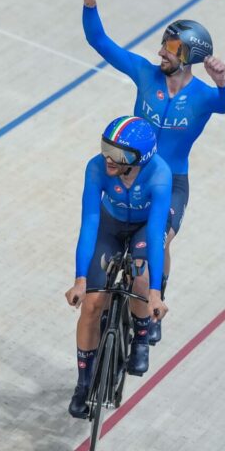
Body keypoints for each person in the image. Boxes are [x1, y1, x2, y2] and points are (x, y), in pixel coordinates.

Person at [80, 0, 225, 346]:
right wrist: (90, 4)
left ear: (188, 55)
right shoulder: (145, 74)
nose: (160, 52)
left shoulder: (202, 95)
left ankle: (152, 306)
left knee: (158, 246)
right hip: (129, 172)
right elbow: (100, 42)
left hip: (170, 182)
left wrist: (221, 81)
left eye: (169, 46)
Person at [65, 116, 172, 418]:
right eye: (105, 148)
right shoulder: (96, 167)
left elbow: (154, 233)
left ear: (140, 159)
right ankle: (83, 384)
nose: (109, 159)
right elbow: (89, 223)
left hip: (142, 230)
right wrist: (80, 279)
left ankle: (140, 336)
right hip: (109, 227)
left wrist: (153, 293)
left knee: (139, 275)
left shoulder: (159, 176)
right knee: (91, 306)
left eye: (119, 155)